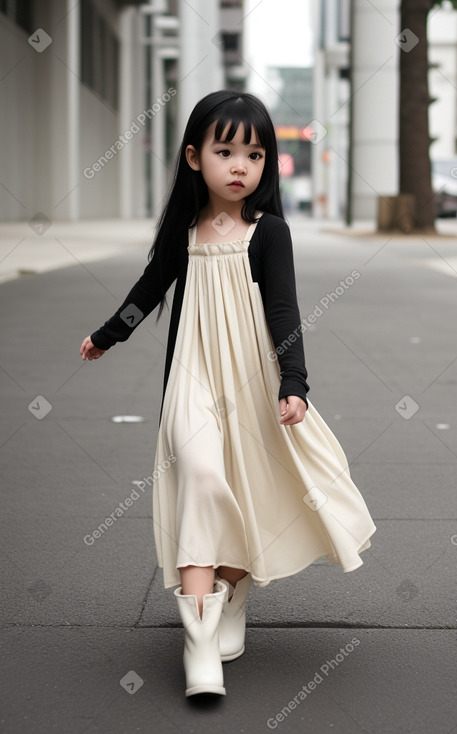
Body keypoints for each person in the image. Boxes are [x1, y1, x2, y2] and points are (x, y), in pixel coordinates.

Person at [80, 90, 377, 698]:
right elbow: (151, 285)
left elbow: (285, 310)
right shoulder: (184, 231)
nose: (240, 166)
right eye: (225, 151)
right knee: (203, 478)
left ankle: (230, 597)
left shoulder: (269, 233)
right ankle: (199, 650)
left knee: (251, 488)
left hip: (253, 379)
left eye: (255, 154)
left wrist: (294, 382)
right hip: (193, 375)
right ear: (194, 157)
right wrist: (108, 335)